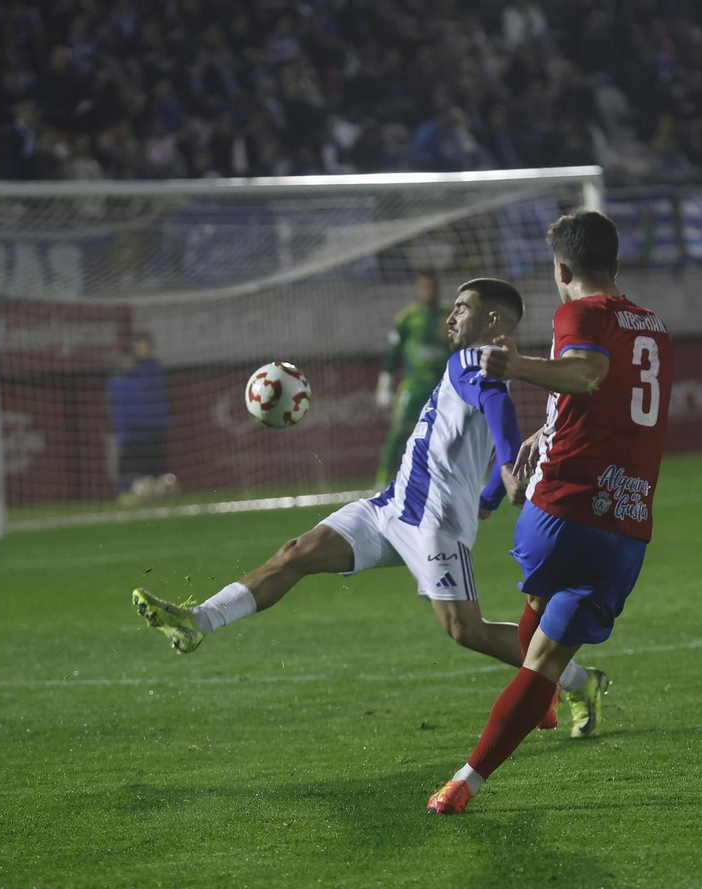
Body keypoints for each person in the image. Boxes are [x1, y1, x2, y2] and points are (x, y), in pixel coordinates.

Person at [133, 278, 607, 733]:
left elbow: (498, 411)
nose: (450, 317)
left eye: (462, 307)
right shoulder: (473, 365)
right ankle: (197, 622)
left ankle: (579, 681)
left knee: (467, 631)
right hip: (391, 508)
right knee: (294, 553)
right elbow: (473, 429)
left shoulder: (475, 359)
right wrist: (488, 496)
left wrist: (506, 466)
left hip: (434, 526)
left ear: (493, 319)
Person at [427, 209, 675, 815]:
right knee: (545, 658)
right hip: (626, 520)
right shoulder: (655, 327)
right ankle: (467, 783)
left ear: (562, 269)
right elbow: (610, 393)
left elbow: (588, 374)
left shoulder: (577, 312)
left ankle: (537, 703)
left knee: (536, 611)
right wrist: (549, 423)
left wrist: (517, 366)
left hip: (562, 508)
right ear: (616, 264)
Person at [375, 274, 452, 485]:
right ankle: (383, 479)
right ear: (419, 289)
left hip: (443, 386)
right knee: (399, 431)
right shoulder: (407, 319)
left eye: (433, 286)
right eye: (425, 287)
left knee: (447, 434)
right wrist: (385, 385)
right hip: (413, 386)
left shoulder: (450, 317)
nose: (430, 291)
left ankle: (445, 478)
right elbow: (393, 355)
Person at [108, 332, 174, 501]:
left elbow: (161, 399)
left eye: (146, 346)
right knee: (129, 468)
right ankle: (126, 494)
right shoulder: (119, 378)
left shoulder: (154, 371)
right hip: (130, 432)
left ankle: (155, 494)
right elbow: (116, 406)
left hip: (151, 429)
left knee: (154, 468)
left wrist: (162, 422)